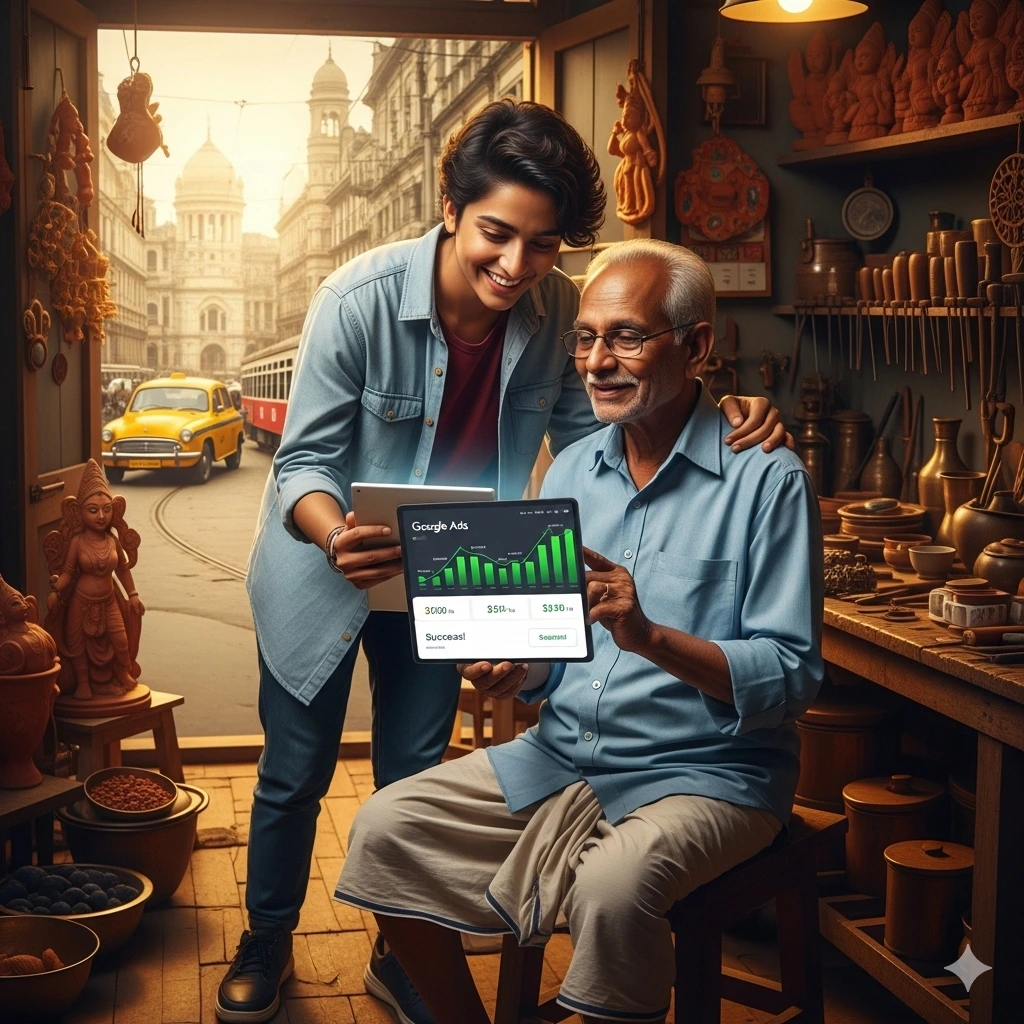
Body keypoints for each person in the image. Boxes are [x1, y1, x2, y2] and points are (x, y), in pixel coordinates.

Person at [217, 101, 789, 1024]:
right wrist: (332, 534)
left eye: (545, 245)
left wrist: (719, 411)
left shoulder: (563, 312)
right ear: (451, 209)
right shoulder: (354, 302)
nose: (517, 267)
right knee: (293, 772)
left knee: (410, 769)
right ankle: (266, 938)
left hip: (459, 573)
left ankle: (398, 949)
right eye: (496, 234)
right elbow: (304, 465)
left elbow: (596, 441)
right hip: (326, 569)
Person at [333, 238, 823, 1024]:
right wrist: (517, 667)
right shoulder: (569, 470)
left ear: (697, 347)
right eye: (586, 337)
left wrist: (651, 636)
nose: (596, 361)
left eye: (626, 336)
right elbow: (556, 655)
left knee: (610, 890)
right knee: (383, 827)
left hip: (710, 776)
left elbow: (792, 676)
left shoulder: (767, 479)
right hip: (562, 754)